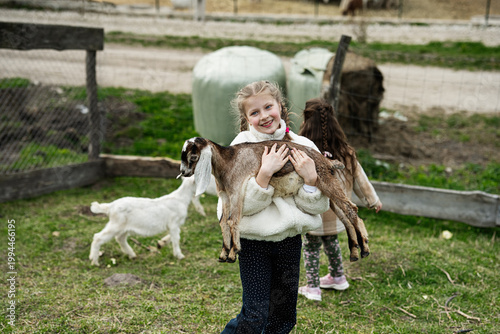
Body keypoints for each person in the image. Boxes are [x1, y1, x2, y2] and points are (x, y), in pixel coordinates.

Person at [220, 81, 330, 333]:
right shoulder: (238, 150)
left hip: (289, 242)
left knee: (283, 316)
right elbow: (232, 208)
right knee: (255, 315)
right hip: (253, 242)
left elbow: (317, 207)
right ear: (246, 118)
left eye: (268, 106)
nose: (264, 116)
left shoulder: (304, 147)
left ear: (280, 105)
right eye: (254, 112)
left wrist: (312, 180)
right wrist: (263, 177)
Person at [297, 98, 382, 302]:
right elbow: (361, 180)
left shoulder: (304, 155)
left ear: (306, 123)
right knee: (332, 242)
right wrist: (373, 200)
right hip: (338, 217)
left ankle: (313, 287)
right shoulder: (346, 153)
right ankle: (337, 277)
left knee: (310, 248)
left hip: (313, 214)